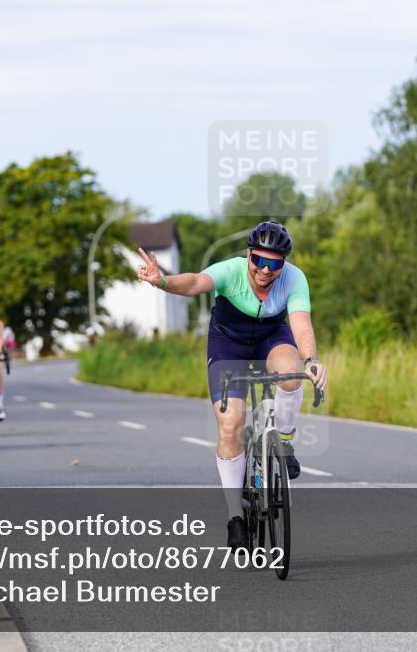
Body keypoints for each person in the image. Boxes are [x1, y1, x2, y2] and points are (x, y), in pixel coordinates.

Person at [135, 220, 329, 549]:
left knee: (291, 371)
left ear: (284, 263)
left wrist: (311, 361)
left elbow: (300, 323)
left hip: (271, 337)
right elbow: (196, 282)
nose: (265, 270)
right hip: (228, 345)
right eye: (259, 261)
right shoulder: (231, 271)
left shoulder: (295, 280)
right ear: (249, 255)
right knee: (231, 423)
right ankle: (235, 516)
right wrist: (163, 281)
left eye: (274, 263)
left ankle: (283, 440)